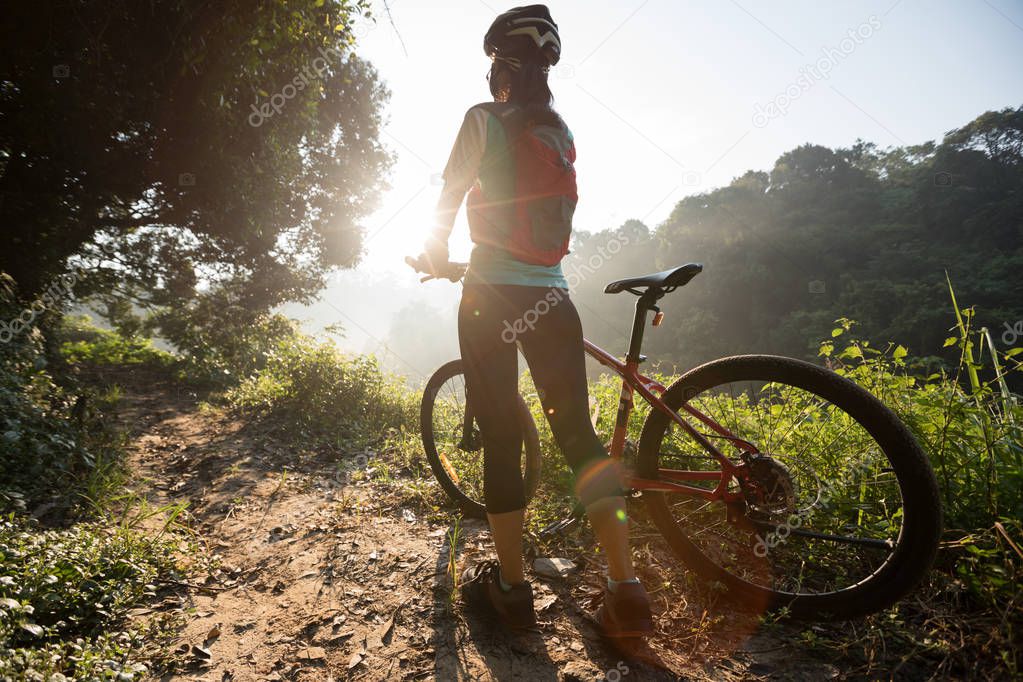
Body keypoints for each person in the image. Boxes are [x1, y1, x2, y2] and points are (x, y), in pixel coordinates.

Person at [416, 4, 653, 638]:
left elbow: (446, 201)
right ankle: (625, 591)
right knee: (580, 438)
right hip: (554, 300)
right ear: (545, 69)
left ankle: (512, 592)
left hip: (489, 296)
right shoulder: (561, 131)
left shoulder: (481, 118)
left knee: (500, 435)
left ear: (500, 64)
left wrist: (436, 256)